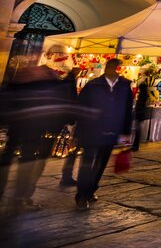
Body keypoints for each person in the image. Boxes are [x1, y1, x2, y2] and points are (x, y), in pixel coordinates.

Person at [0, 64, 74, 211]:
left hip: (19, 129)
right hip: (34, 131)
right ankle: (20, 198)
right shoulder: (50, 86)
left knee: (10, 160)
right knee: (27, 163)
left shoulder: (20, 83)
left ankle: (13, 196)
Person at [75, 58, 133, 210]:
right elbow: (81, 108)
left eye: (116, 68)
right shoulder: (93, 85)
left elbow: (128, 111)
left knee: (101, 164)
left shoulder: (125, 86)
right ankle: (82, 195)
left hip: (111, 131)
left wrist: (126, 135)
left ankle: (90, 190)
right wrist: (78, 132)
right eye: (112, 67)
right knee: (87, 164)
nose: (114, 70)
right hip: (92, 131)